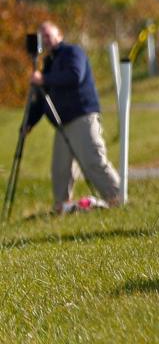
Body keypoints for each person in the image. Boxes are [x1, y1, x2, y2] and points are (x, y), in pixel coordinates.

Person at [26, 21, 121, 213]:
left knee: (93, 160)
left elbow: (74, 75)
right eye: (42, 36)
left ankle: (117, 198)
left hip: (82, 117)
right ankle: (61, 207)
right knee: (61, 169)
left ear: (59, 35)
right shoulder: (49, 63)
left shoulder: (72, 53)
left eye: (48, 35)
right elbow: (43, 99)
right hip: (63, 124)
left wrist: (43, 79)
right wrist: (28, 124)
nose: (46, 40)